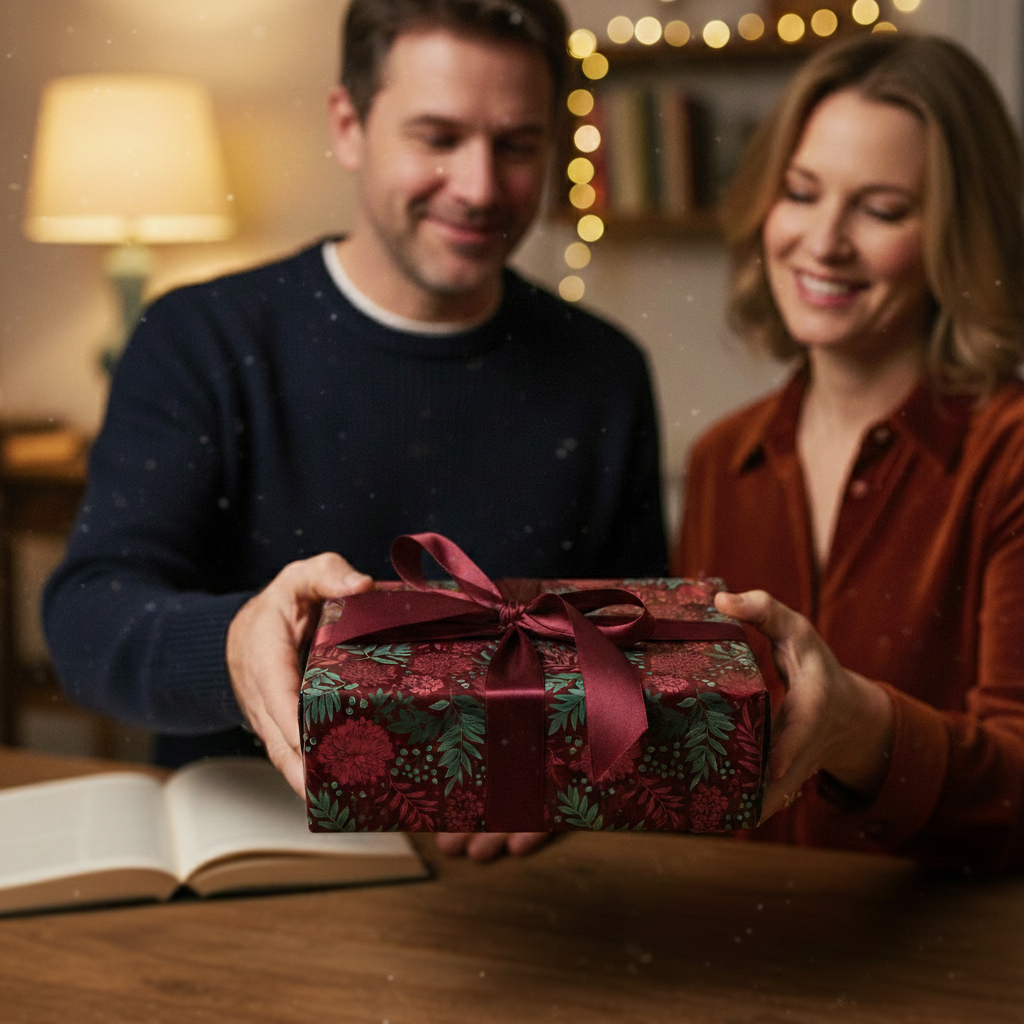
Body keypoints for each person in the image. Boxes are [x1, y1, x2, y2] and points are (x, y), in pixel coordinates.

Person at [43, 0, 668, 862]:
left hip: (521, 886)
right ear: (349, 125)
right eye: (438, 138)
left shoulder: (606, 372)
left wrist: (576, 768)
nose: (481, 188)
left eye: (517, 145)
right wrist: (231, 644)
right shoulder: (198, 339)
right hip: (249, 860)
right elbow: (84, 622)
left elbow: (638, 652)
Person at [674, 33, 1024, 873]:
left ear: (958, 235)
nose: (823, 242)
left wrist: (860, 728)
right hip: (740, 952)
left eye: (881, 209)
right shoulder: (723, 459)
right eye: (801, 192)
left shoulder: (1009, 456)